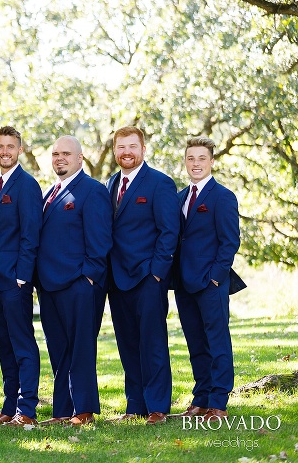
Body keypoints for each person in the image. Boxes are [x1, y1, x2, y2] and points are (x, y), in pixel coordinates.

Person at [35, 136, 112, 426]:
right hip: (50, 286)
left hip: (80, 285)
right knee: (59, 349)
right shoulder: (50, 192)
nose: (59, 158)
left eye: (66, 153)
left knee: (80, 348)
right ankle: (62, 411)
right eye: (55, 154)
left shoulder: (92, 191)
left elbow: (100, 239)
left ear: (80, 158)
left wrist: (88, 278)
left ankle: (84, 410)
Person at [106, 126, 180, 425]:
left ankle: (158, 407)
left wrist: (157, 275)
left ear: (143, 149)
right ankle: (135, 405)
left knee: (152, 343)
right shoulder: (110, 183)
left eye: (132, 146)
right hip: (117, 278)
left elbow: (169, 231)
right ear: (114, 151)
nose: (127, 152)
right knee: (127, 343)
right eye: (121, 147)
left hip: (148, 278)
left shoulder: (160, 183)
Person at [171, 137, 240, 422]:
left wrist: (215, 278)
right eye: (191, 158)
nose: (195, 163)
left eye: (201, 158)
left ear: (211, 161)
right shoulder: (179, 197)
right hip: (184, 284)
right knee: (196, 342)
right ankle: (201, 397)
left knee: (217, 342)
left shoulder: (222, 196)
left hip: (211, 283)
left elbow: (230, 242)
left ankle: (218, 403)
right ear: (185, 162)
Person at [0, 126, 42, 426]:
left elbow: (31, 234)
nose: (5, 151)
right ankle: (9, 407)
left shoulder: (27, 185)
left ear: (19, 149)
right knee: (4, 345)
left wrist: (23, 276)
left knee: (22, 345)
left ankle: (27, 409)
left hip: (14, 281)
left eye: (10, 146)